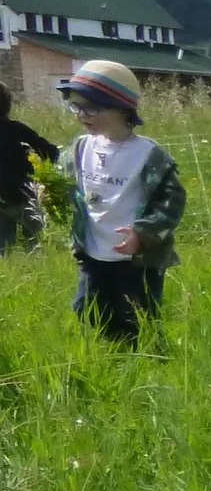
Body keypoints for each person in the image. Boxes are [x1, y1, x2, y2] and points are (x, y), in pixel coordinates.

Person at [55, 61, 184, 347]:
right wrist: (46, 192)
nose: (81, 115)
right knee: (87, 309)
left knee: (137, 318)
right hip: (93, 252)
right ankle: (115, 353)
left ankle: (150, 359)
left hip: (136, 260)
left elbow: (171, 203)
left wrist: (143, 233)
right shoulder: (80, 148)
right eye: (76, 106)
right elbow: (62, 183)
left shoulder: (149, 155)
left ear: (122, 109)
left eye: (91, 107)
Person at [0, 83, 58, 251]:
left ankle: (10, 274)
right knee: (35, 243)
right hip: (25, 194)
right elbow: (50, 153)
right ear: (7, 106)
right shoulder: (18, 130)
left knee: (3, 248)